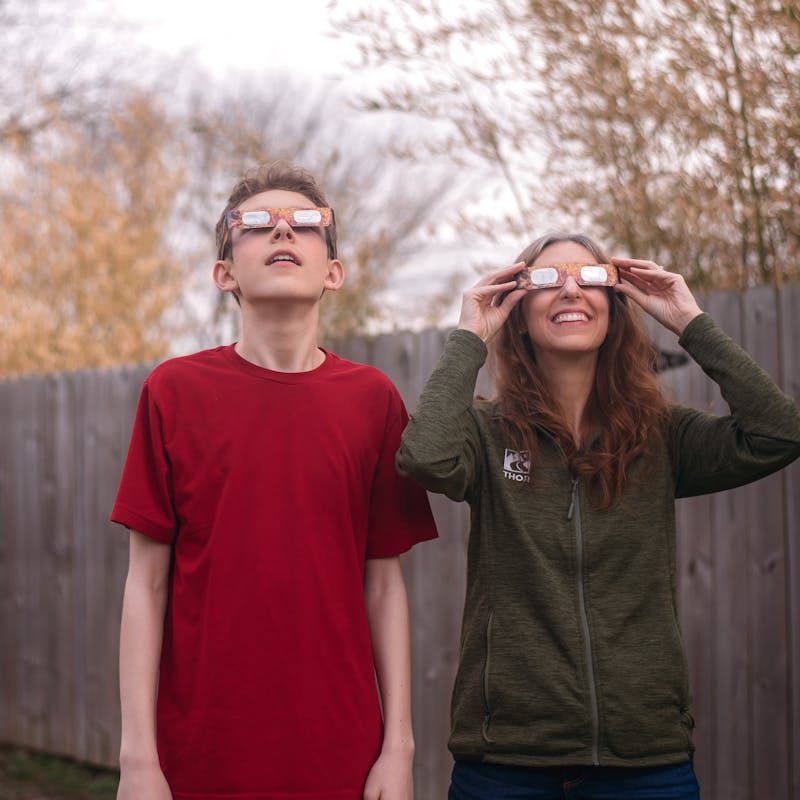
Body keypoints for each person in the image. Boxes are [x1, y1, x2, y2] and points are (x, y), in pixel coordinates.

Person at [396, 232, 800, 799]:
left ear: (614, 305)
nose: (568, 290)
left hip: (646, 765)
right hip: (506, 763)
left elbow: (778, 434)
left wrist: (689, 320)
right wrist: (470, 334)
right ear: (518, 310)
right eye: (544, 280)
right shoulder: (486, 437)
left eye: (588, 278)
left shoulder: (663, 435)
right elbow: (425, 456)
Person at [111, 161, 438, 800]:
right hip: (198, 755)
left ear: (333, 272)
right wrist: (137, 761)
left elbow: (384, 584)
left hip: (343, 754)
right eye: (257, 223)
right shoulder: (173, 392)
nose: (283, 231)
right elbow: (145, 584)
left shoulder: (373, 400)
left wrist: (398, 749)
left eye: (308, 224)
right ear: (225, 272)